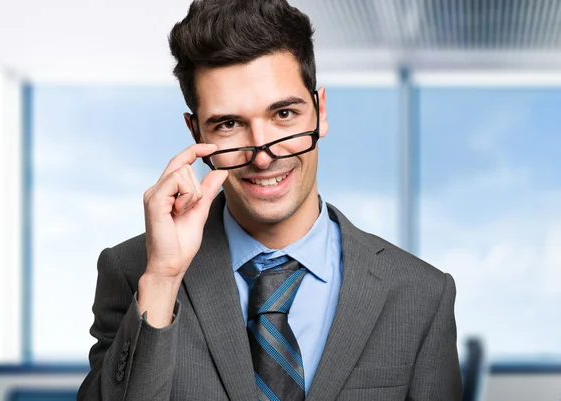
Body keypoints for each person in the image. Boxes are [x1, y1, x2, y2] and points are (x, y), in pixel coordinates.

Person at [77, 0, 462, 400]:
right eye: (229, 124)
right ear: (196, 132)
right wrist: (162, 280)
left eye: (283, 115)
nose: (263, 154)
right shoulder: (133, 272)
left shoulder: (420, 294)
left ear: (319, 110)